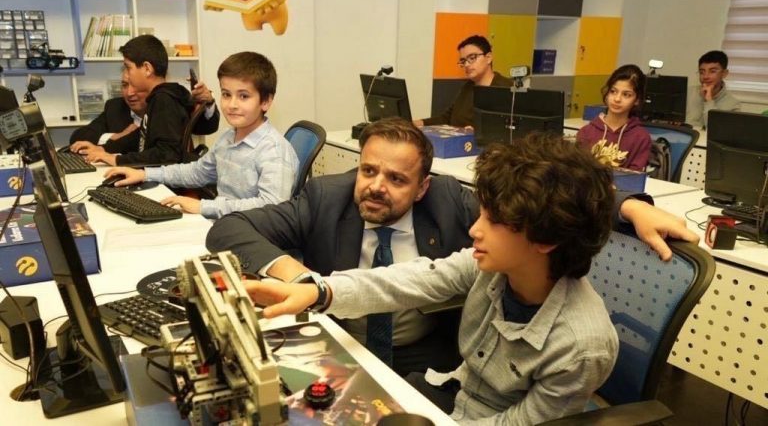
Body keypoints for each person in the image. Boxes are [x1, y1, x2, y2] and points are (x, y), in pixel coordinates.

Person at [206, 118, 697, 376]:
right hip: (344, 343)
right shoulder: (326, 197)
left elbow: (543, 203)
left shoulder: (451, 205)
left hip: (431, 358)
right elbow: (229, 230)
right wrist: (305, 283)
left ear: (423, 186)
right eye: (368, 170)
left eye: (396, 179)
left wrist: (629, 208)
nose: (375, 187)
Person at [241, 134, 621, 424]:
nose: (474, 230)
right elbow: (409, 280)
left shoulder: (582, 346)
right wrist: (317, 291)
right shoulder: (492, 267)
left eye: (493, 221)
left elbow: (516, 424)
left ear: (546, 239)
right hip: (449, 392)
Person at [104, 51, 299, 219]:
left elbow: (272, 208)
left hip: (253, 234)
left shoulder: (274, 150)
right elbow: (197, 172)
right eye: (226, 94)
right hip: (227, 224)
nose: (232, 104)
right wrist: (144, 174)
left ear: (265, 102)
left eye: (243, 96)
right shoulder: (228, 138)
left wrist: (203, 207)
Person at [77, 34, 209, 166]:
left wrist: (116, 160)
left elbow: (166, 154)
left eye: (128, 67)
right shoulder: (158, 97)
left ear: (147, 69)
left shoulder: (164, 100)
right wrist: (104, 149)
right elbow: (140, 137)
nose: (126, 74)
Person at [69, 73, 219, 155]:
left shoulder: (167, 104)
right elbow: (78, 136)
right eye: (124, 85)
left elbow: (207, 127)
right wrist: (117, 136)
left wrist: (208, 102)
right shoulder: (115, 107)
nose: (130, 93)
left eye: (135, 85)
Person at [414, 35, 511, 128]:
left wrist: (477, 131)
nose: (467, 64)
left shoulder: (507, 89)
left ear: (488, 58)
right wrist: (420, 123)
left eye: (472, 58)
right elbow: (447, 118)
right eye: (463, 61)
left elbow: (507, 129)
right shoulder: (467, 86)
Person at [576, 64, 652, 172]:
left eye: (626, 95)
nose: (617, 99)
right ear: (607, 93)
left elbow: (634, 177)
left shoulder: (641, 137)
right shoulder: (586, 132)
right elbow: (577, 172)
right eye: (613, 91)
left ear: (637, 100)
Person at [686, 50, 741, 128]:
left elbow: (717, 130)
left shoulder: (733, 105)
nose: (706, 76)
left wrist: (709, 101)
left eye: (712, 71)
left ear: (724, 73)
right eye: (702, 72)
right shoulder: (687, 93)